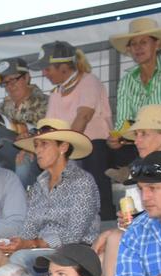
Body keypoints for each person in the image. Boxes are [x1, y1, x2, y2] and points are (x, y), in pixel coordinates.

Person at [0, 119, 100, 273]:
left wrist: (33, 243)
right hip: (41, 251)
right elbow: (29, 227)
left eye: (44, 144)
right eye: (36, 146)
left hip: (75, 252)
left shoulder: (82, 182)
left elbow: (74, 235)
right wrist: (15, 244)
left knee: (18, 262)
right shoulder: (38, 186)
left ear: (63, 147)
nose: (38, 150)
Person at [33, 40, 114, 220]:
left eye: (47, 68)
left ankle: (104, 216)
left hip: (95, 143)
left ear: (63, 67)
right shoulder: (56, 93)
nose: (44, 73)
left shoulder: (89, 81)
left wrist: (65, 148)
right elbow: (49, 127)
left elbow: (83, 117)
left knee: (91, 156)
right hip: (70, 146)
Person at [96, 106, 161, 276]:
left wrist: (118, 231)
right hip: (147, 240)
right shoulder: (140, 167)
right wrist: (128, 222)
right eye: (136, 135)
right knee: (105, 254)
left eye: (144, 134)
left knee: (114, 242)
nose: (137, 141)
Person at [0, 57, 48, 187]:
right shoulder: (2, 107)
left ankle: (21, 204)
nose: (9, 86)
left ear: (27, 78)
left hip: (35, 154)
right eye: (5, 83)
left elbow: (51, 136)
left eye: (14, 80)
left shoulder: (46, 103)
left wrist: (29, 142)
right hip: (9, 153)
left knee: (23, 163)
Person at [110, 19, 161, 167]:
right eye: (133, 44)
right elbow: (124, 122)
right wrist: (117, 138)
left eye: (143, 42)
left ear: (157, 44)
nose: (138, 48)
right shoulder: (127, 81)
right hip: (143, 143)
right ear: (129, 50)